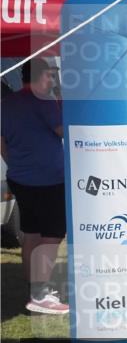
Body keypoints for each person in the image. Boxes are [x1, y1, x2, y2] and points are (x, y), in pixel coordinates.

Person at [0, 58, 68, 314]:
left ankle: (34, 289)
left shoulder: (6, 104)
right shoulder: (43, 101)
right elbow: (64, 131)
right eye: (51, 76)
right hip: (48, 180)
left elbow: (2, 142)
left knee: (31, 234)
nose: (53, 81)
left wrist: (16, 164)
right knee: (51, 235)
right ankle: (40, 294)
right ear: (41, 76)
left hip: (21, 178)